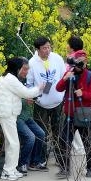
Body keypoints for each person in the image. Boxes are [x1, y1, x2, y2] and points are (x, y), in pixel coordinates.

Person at [0, 57, 44, 181]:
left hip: (9, 114)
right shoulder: (11, 79)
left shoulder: (8, 77)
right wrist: (39, 88)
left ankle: (10, 170)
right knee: (13, 143)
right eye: (24, 69)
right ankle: (7, 171)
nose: (26, 71)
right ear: (17, 68)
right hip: (7, 114)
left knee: (10, 143)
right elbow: (26, 93)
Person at [55, 49, 91, 178]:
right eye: (78, 62)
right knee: (64, 141)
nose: (81, 65)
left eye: (83, 62)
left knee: (88, 142)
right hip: (70, 114)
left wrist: (83, 94)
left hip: (84, 114)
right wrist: (65, 79)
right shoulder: (69, 73)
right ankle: (65, 169)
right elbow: (58, 88)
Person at [26, 36, 66, 170]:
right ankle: (41, 160)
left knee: (59, 131)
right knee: (41, 133)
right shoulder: (32, 63)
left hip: (58, 103)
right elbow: (29, 84)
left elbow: (63, 77)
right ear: (37, 49)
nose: (47, 50)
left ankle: (61, 158)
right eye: (44, 48)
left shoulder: (57, 58)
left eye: (49, 47)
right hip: (41, 105)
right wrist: (31, 95)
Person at [16, 98, 47, 174]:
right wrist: (25, 100)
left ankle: (34, 163)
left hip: (27, 117)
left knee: (41, 134)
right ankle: (22, 164)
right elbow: (13, 100)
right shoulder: (12, 86)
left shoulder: (24, 85)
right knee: (30, 137)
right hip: (18, 118)